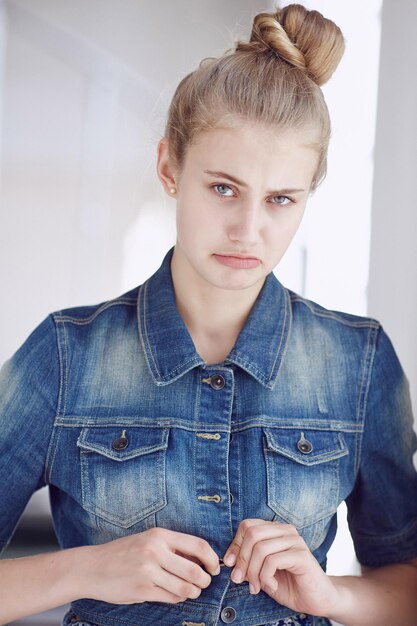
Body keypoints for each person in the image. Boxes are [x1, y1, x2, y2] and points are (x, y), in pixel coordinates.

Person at [1, 4, 417, 626]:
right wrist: (86, 569)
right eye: (223, 187)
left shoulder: (358, 363)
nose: (248, 230)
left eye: (280, 199)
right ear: (170, 166)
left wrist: (330, 596)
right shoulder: (64, 354)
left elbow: (405, 583)